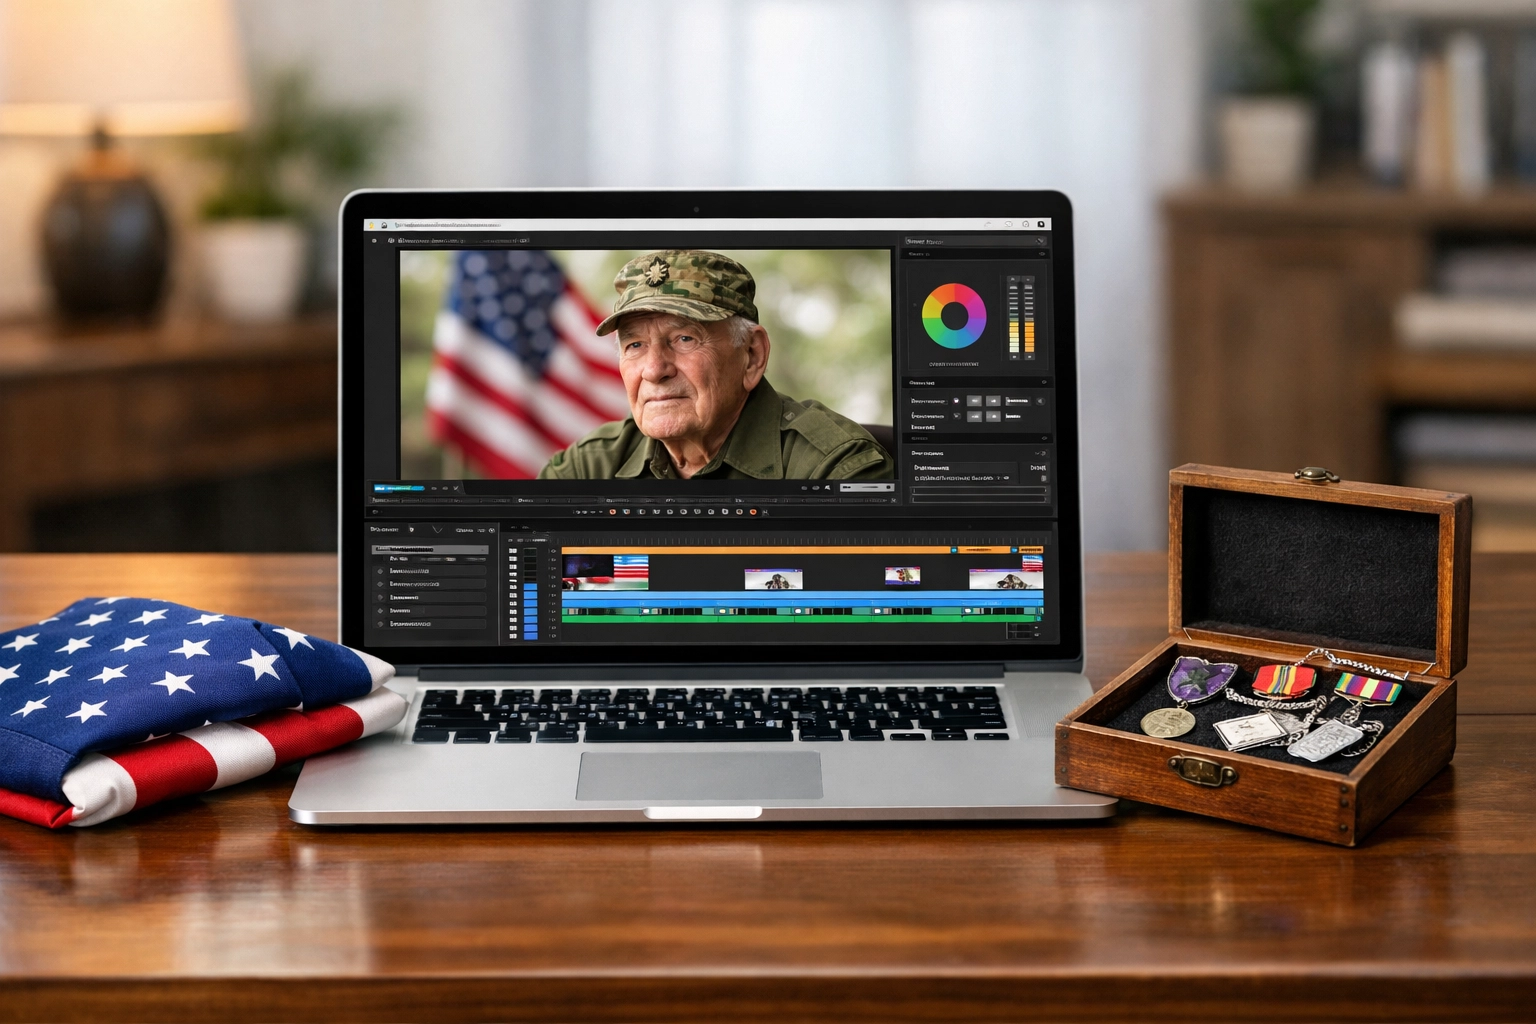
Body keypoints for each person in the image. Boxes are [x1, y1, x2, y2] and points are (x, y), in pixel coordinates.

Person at [538, 250, 894, 481]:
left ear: (752, 355)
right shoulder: (588, 468)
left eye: (684, 339)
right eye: (635, 345)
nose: (654, 369)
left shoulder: (835, 468)